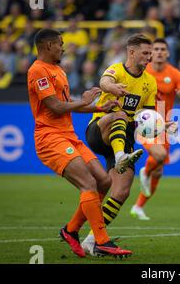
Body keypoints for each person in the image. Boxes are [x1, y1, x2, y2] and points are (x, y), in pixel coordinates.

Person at [27, 28, 131, 258]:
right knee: (88, 183)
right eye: (60, 43)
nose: (63, 47)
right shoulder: (38, 71)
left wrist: (98, 107)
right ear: (47, 46)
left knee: (104, 182)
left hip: (69, 136)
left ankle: (71, 230)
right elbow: (54, 107)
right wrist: (82, 101)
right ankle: (102, 241)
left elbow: (68, 104)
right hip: (50, 138)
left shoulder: (58, 70)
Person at [80, 34, 176, 255]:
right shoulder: (116, 70)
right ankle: (121, 155)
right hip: (100, 130)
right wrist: (112, 89)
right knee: (121, 115)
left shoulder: (149, 82)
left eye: (150, 53)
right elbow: (105, 81)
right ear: (131, 53)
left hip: (126, 136)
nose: (149, 57)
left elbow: (147, 116)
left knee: (122, 190)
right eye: (145, 53)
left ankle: (92, 240)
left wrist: (162, 125)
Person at [130, 38, 180, 220]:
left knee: (158, 171)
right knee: (158, 156)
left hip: (163, 126)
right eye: (155, 49)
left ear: (167, 53)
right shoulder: (144, 71)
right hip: (144, 123)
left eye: (162, 49)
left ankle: (138, 206)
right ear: (151, 53)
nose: (159, 52)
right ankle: (144, 172)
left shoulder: (174, 74)